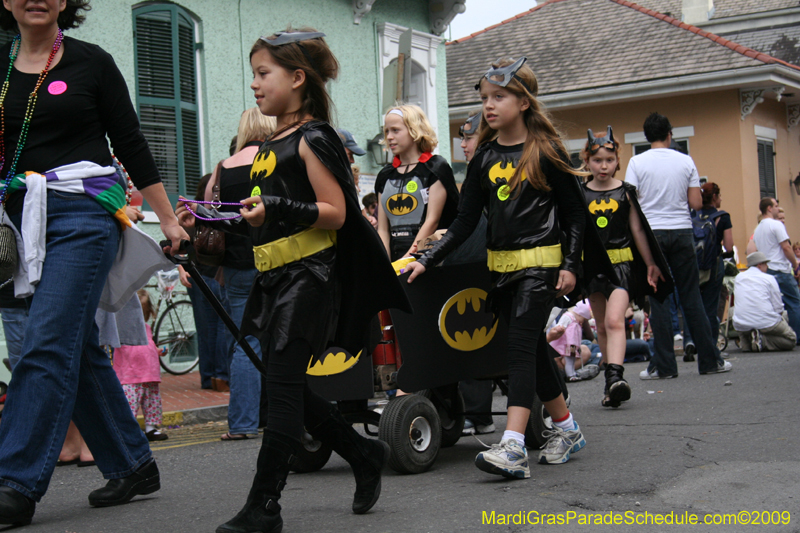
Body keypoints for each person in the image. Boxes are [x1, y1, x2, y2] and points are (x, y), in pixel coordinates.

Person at [176, 28, 410, 533]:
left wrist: (276, 207)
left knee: (280, 392)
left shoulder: (314, 137)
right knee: (285, 387)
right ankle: (362, 452)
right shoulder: (271, 143)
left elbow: (337, 213)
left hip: (310, 278)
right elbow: (264, 219)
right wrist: (208, 222)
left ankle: (265, 506)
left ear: (297, 78)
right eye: (254, 75)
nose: (256, 85)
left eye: (265, 74)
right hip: (273, 278)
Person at [0, 0, 189, 526]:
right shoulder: (0, 62)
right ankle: (132, 463)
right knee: (75, 348)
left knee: (45, 341)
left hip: (84, 213)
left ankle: (12, 480)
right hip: (20, 224)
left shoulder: (92, 62)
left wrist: (168, 219)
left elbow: (130, 141)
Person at [405, 57, 616, 478]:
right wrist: (428, 258)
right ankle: (568, 429)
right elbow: (465, 222)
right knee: (533, 351)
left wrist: (571, 265)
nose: (489, 105)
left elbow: (576, 215)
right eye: (484, 97)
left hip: (541, 269)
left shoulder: (547, 151)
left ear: (523, 102)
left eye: (499, 97)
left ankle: (513, 446)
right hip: (500, 273)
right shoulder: (482, 157)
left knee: (517, 349)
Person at [625, 113, 731, 378]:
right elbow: (696, 203)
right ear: (669, 134)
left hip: (652, 233)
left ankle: (663, 366)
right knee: (691, 297)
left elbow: (631, 202)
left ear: (647, 136)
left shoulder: (636, 162)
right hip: (682, 232)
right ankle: (709, 361)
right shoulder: (686, 161)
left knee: (659, 299)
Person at [580, 127, 669, 407]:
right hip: (593, 269)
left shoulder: (626, 193)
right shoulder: (579, 194)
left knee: (614, 321)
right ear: (587, 161)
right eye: (597, 160)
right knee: (602, 328)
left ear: (618, 160)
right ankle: (611, 385)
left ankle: (617, 377)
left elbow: (638, 231)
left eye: (609, 159)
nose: (603, 165)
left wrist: (651, 263)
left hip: (621, 268)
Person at [202, 107, 276, 440]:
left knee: (245, 343)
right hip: (275, 260)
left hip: (234, 267)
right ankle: (279, 417)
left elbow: (210, 216)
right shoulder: (274, 160)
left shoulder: (222, 168)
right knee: (280, 341)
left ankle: (244, 423)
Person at [375, 103, 460, 260]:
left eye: (395, 130)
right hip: (394, 256)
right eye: (386, 131)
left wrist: (407, 260)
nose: (389, 137)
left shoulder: (434, 168)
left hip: (429, 257)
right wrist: (385, 264)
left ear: (414, 130)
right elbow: (383, 230)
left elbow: (432, 221)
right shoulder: (385, 175)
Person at [180, 173, 229, 391]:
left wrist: (181, 268)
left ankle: (207, 377)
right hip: (214, 274)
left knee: (204, 327)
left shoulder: (191, 214)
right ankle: (221, 376)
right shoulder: (213, 214)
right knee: (221, 325)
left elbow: (180, 245)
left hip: (195, 274)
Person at [681, 182, 733, 362]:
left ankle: (689, 341)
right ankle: (710, 349)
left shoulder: (690, 215)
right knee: (710, 308)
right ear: (715, 197)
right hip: (713, 265)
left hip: (691, 265)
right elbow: (728, 246)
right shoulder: (723, 217)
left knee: (692, 304)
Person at [113, 289, 168, 441]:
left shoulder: (147, 328)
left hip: (149, 374)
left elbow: (146, 346)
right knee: (130, 404)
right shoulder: (120, 330)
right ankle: (127, 430)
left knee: (152, 402)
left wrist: (157, 351)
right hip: (130, 375)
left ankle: (151, 428)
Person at [753, 197, 800, 341]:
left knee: (775, 306)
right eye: (776, 206)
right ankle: (797, 336)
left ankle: (780, 337)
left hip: (766, 271)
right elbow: (785, 247)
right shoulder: (776, 225)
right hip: (780, 269)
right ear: (769, 208)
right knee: (794, 303)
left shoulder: (758, 228)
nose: (778, 209)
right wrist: (795, 264)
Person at [733, 252, 797, 352]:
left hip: (741, 323)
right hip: (765, 322)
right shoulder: (769, 278)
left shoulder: (738, 278)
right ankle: (762, 340)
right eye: (766, 264)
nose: (767, 267)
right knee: (791, 340)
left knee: (747, 338)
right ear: (760, 265)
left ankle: (747, 342)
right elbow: (778, 308)